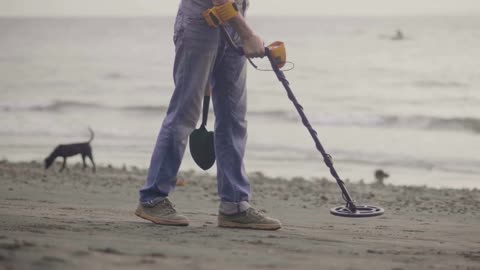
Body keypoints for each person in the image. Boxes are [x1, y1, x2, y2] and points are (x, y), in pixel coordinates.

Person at [135, 0, 282, 230]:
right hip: (201, 24)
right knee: (185, 114)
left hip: (232, 22)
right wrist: (247, 33)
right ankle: (152, 199)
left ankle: (234, 206)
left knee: (234, 118)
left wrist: (241, 28)